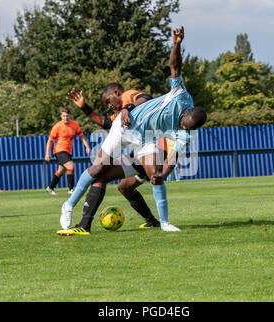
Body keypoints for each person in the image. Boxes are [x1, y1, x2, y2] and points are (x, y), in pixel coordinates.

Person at [57, 26, 207, 236]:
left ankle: (163, 222)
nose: (181, 128)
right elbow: (174, 67)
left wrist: (165, 173)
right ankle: (69, 204)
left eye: (185, 128)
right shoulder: (180, 94)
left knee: (155, 175)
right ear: (186, 112)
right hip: (126, 126)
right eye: (182, 123)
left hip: (145, 137)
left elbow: (173, 156)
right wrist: (176, 44)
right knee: (98, 169)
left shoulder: (185, 131)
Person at [66, 86, 166, 230]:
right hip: (140, 156)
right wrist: (85, 108)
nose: (109, 105)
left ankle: (84, 224)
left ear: (117, 93)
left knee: (101, 175)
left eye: (108, 101)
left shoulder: (127, 96)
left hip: (152, 154)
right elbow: (106, 122)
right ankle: (152, 221)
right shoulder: (122, 114)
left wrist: (128, 107)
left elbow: (146, 98)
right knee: (123, 187)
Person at [45, 107, 91, 195]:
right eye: (64, 116)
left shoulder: (74, 125)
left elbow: (81, 136)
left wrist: (87, 147)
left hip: (68, 151)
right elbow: (50, 140)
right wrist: (47, 154)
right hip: (59, 150)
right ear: (61, 116)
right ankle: (71, 189)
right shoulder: (57, 126)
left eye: (67, 116)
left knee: (61, 171)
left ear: (70, 116)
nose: (66, 117)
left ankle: (50, 187)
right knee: (70, 166)